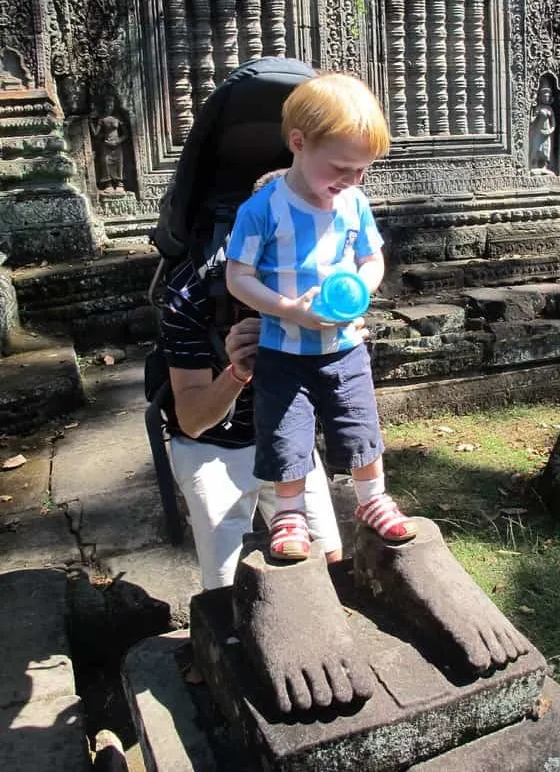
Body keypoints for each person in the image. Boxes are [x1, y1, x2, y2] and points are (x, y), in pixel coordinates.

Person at [226, 72, 417, 561]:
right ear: (299, 143)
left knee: (359, 424)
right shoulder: (262, 210)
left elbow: (371, 260)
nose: (352, 181)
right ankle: (289, 515)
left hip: (345, 347)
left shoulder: (354, 203)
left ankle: (372, 501)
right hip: (283, 350)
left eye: (362, 171)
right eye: (341, 167)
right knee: (285, 431)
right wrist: (287, 309)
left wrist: (361, 291)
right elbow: (238, 277)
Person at [160, 254, 343, 590]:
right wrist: (239, 372)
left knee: (329, 561)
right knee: (226, 587)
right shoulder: (191, 289)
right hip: (212, 444)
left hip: (285, 431)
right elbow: (192, 420)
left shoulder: (311, 273)